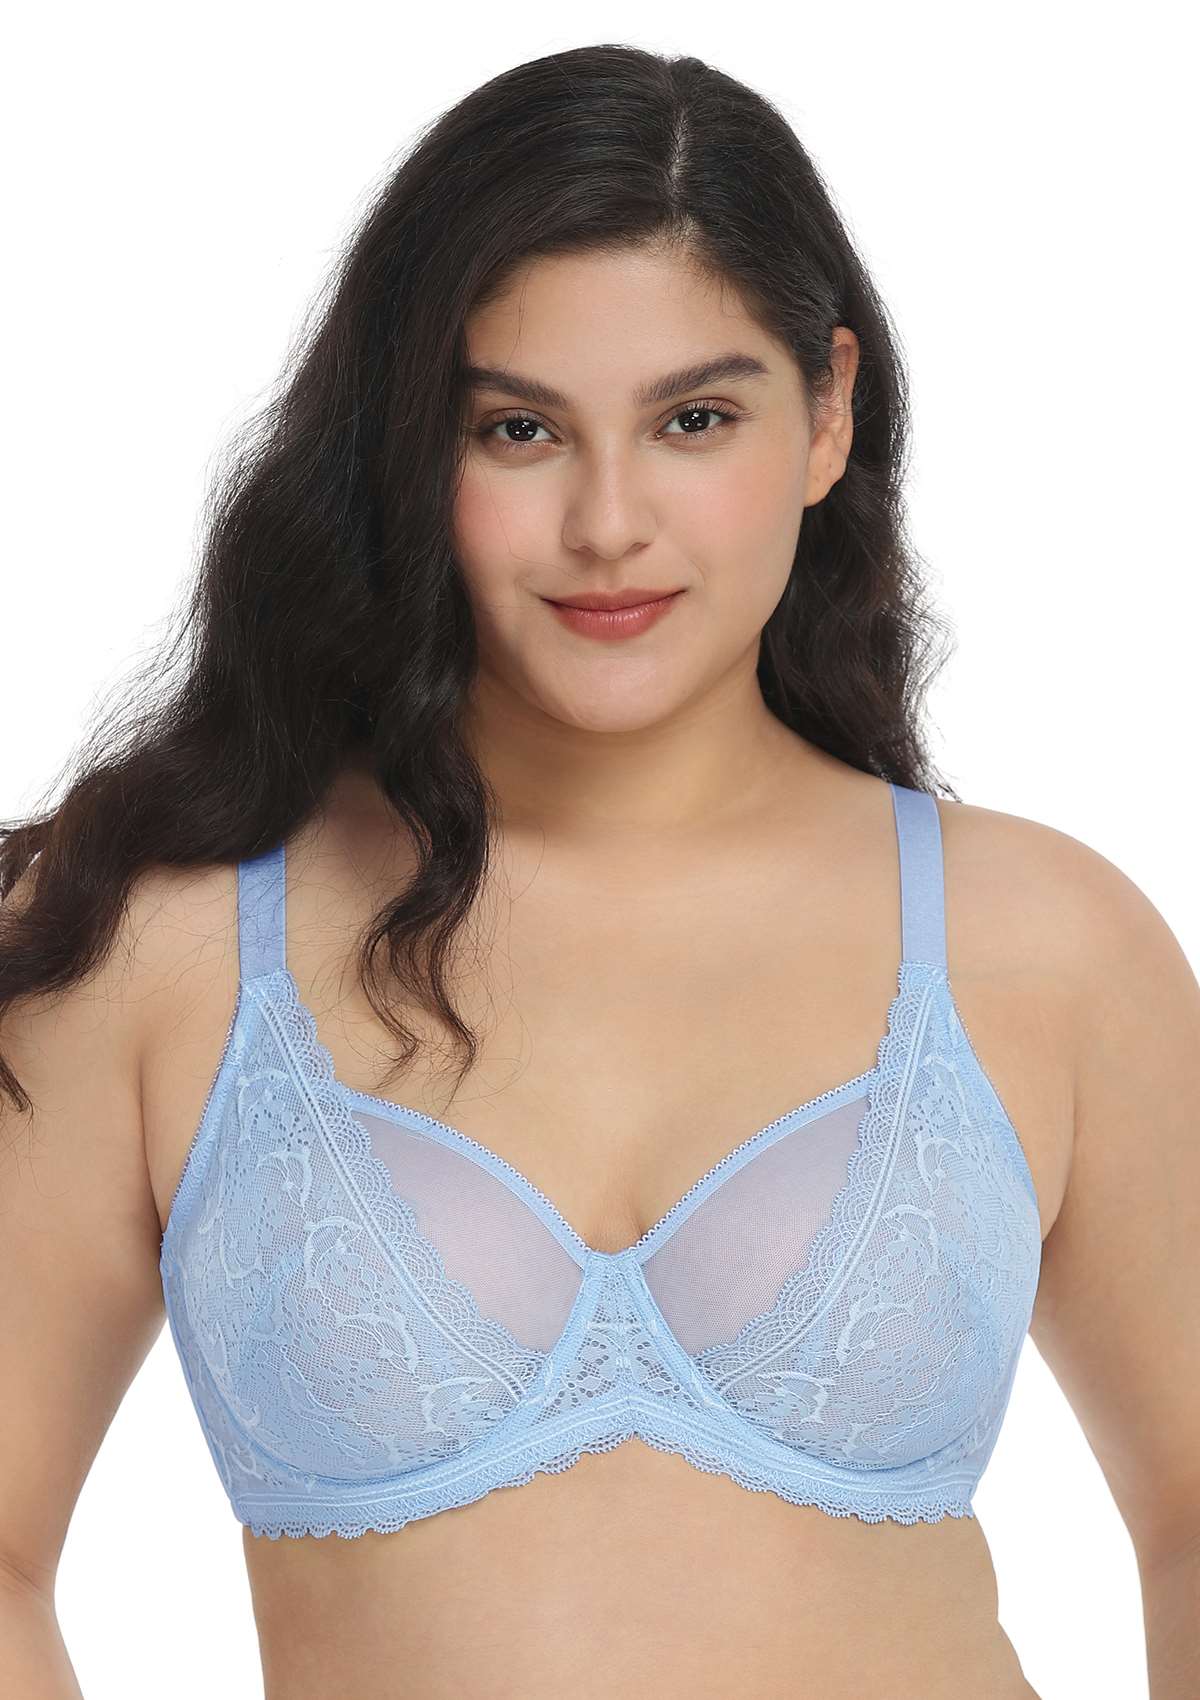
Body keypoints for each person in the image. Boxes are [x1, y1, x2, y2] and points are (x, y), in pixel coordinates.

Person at [2, 42, 1197, 1700]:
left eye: (695, 419)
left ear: (828, 414)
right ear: (410, 448)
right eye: (519, 430)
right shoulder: (159, 936)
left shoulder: (1049, 944)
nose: (609, 522)